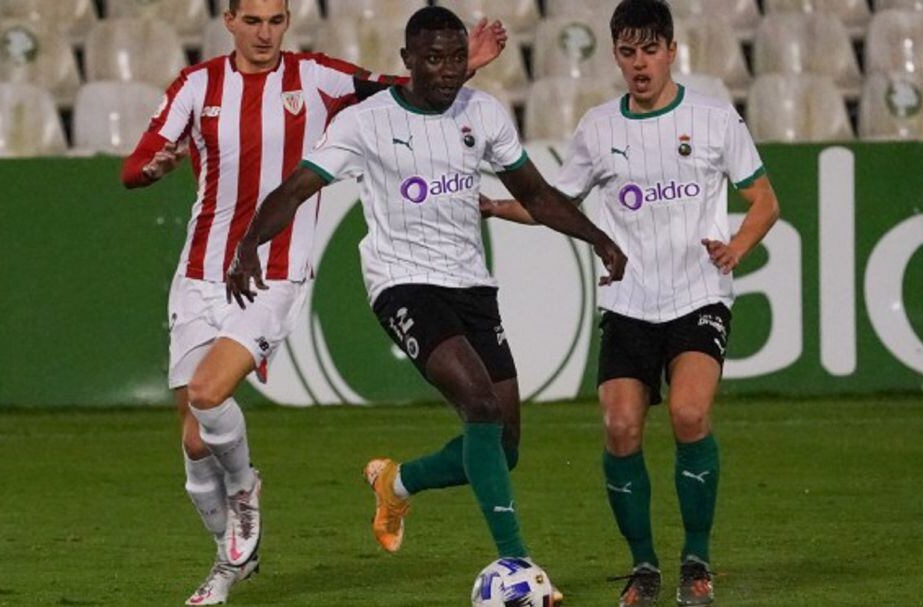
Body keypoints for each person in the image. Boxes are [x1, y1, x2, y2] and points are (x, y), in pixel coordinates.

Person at [225, 5, 626, 599]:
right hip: (403, 283)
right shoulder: (368, 122)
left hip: (471, 286)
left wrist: (598, 237)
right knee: (479, 407)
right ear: (407, 60)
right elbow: (298, 185)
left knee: (505, 448)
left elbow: (536, 194)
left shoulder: (483, 112)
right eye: (433, 59)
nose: (446, 70)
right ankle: (515, 564)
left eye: (456, 58)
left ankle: (398, 482)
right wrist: (251, 243)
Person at [120, 1, 508, 603]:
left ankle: (246, 490)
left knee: (207, 394)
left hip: (274, 271)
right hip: (199, 274)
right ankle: (227, 565)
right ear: (229, 21)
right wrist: (154, 168)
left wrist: (470, 66)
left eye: (276, 20)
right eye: (253, 21)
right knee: (196, 443)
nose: (265, 33)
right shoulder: (197, 86)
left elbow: (403, 88)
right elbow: (135, 164)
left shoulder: (317, 78)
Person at [481, 1, 781, 605]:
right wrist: (491, 205)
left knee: (690, 415)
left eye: (649, 50)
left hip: (699, 294)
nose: (639, 63)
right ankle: (643, 567)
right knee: (620, 427)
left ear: (672, 50)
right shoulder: (598, 128)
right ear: (615, 54)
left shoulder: (715, 118)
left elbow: (765, 200)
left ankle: (696, 560)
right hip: (629, 301)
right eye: (627, 51)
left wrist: (736, 248)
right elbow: (552, 203)